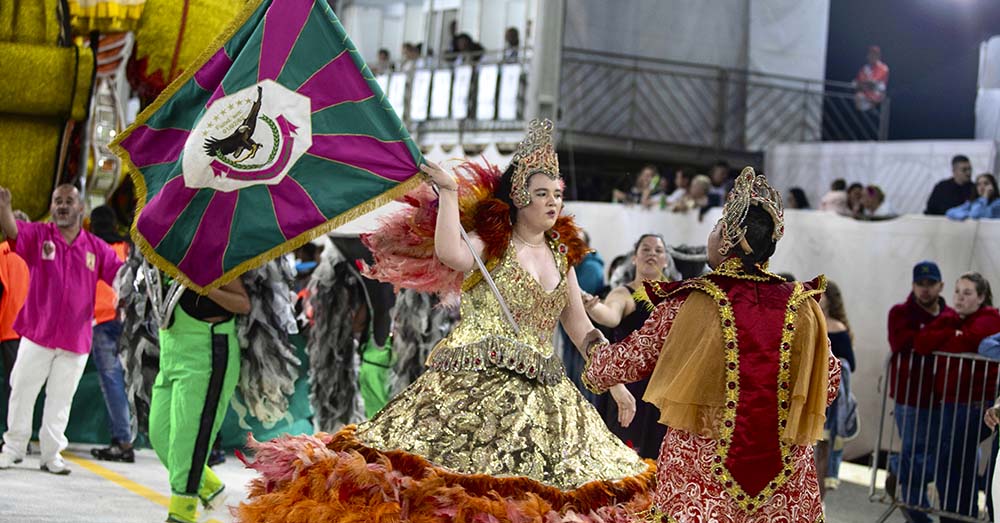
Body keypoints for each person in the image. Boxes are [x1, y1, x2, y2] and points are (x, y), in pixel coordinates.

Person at [237, 119, 653, 522]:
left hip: (544, 397)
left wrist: (616, 383)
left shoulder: (563, 261)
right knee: (443, 494)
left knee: (535, 497)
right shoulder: (493, 245)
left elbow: (581, 329)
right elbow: (451, 253)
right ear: (519, 199)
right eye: (542, 193)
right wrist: (450, 194)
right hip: (472, 386)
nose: (552, 202)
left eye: (557, 194)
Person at [584, 167, 839, 522]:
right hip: (785, 482)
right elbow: (829, 381)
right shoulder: (805, 305)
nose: (711, 234)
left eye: (716, 227)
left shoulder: (694, 300)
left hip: (701, 477)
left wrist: (593, 348)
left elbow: (625, 362)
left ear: (727, 240)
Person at [0, 184, 123, 475]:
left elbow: (120, 276)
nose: (63, 206)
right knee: (22, 393)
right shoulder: (39, 236)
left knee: (60, 400)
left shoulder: (97, 248)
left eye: (69, 201)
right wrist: (4, 206)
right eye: (57, 201)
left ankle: (51, 455)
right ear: (52, 207)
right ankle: (14, 449)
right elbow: (13, 231)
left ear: (81, 209)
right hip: (37, 333)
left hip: (75, 340)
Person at [151, 279, 250, 523]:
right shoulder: (159, 253)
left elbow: (243, 304)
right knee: (160, 435)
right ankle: (211, 489)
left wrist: (207, 288)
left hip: (206, 353)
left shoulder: (214, 256)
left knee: (188, 441)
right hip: (170, 352)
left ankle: (182, 513)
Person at [915, 272, 1000, 523]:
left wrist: (955, 337)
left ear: (981, 297)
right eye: (957, 292)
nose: (960, 298)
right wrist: (955, 333)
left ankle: (959, 518)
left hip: (973, 404)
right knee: (952, 465)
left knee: (953, 465)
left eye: (968, 293)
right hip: (951, 403)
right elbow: (922, 342)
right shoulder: (952, 318)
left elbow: (976, 343)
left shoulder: (990, 319)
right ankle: (954, 517)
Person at [582, 233, 670, 459]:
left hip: (665, 390)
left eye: (658, 250)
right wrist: (594, 308)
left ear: (666, 260)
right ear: (634, 258)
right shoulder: (624, 293)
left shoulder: (675, 296)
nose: (652, 254)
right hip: (630, 388)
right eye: (646, 249)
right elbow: (610, 315)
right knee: (626, 459)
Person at [886, 260, 948, 523]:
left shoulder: (949, 315)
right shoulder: (900, 312)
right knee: (915, 451)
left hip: (941, 396)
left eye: (930, 284)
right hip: (909, 397)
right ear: (913, 285)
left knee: (935, 454)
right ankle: (917, 513)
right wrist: (941, 330)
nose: (925, 290)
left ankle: (898, 470)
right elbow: (904, 342)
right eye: (920, 284)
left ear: (940, 285)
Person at [87, 205, 134, 463]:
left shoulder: (93, 246)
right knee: (127, 381)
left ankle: (122, 440)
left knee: (112, 380)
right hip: (128, 320)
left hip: (102, 318)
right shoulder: (127, 246)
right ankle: (127, 437)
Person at [815, 280, 857, 495]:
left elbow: (850, 363)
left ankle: (819, 498)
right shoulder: (807, 320)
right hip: (808, 393)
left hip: (827, 398)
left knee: (823, 449)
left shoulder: (836, 329)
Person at [0, 210, 29, 423]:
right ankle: (19, 434)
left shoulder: (2, 252)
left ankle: (12, 434)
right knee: (22, 385)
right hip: (31, 331)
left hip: (8, 327)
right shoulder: (38, 254)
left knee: (13, 383)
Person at [854, 45, 889, 112]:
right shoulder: (865, 68)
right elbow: (859, 82)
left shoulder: (883, 68)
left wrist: (865, 83)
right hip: (864, 96)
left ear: (878, 56)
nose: (872, 56)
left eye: (875, 54)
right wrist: (864, 84)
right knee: (858, 95)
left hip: (877, 100)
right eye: (871, 54)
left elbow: (873, 82)